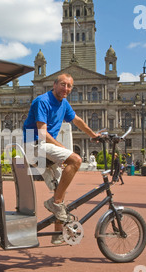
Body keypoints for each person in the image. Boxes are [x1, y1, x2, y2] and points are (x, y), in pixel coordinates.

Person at [23, 73, 100, 245]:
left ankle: (57, 234)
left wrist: (93, 134)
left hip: (42, 147)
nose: (66, 89)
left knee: (61, 188)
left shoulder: (64, 103)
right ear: (54, 84)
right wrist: (61, 147)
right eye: (63, 84)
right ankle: (55, 203)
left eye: (69, 86)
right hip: (34, 145)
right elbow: (42, 134)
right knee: (76, 160)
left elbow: (77, 120)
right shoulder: (42, 101)